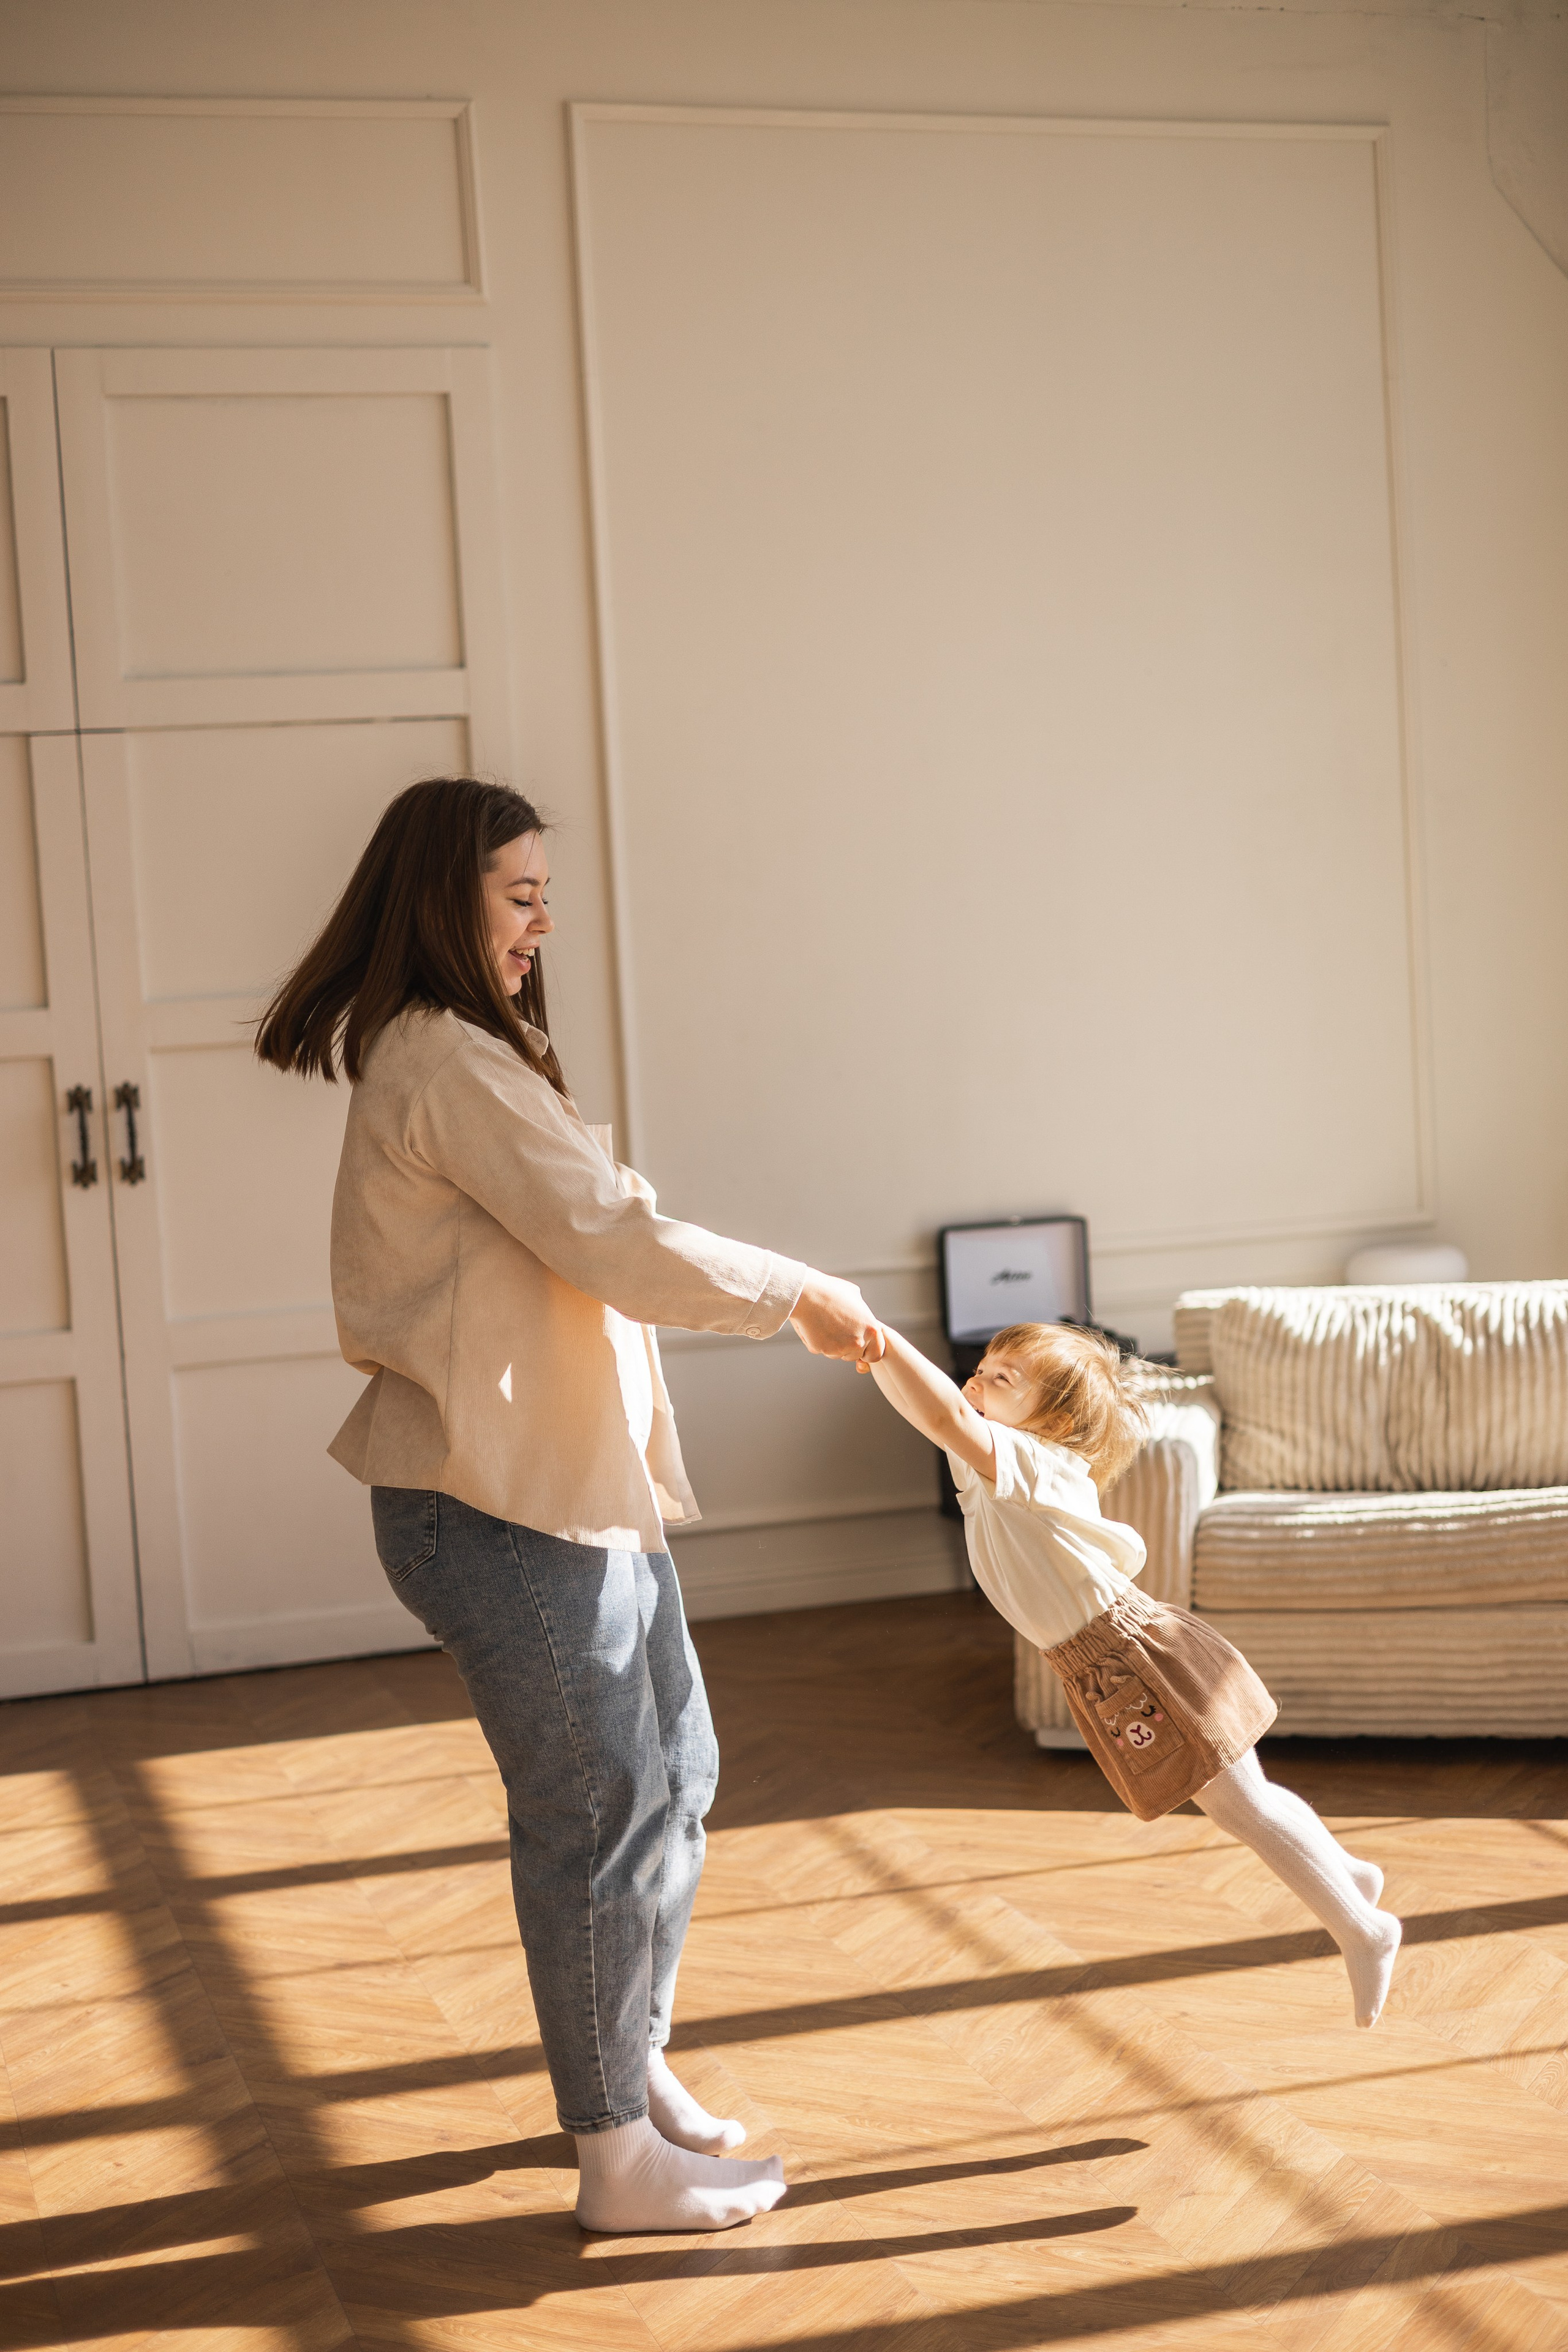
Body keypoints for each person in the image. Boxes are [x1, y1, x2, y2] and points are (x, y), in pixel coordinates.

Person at [256, 776, 883, 2233]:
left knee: (678, 1768)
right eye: (519, 895)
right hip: (493, 1502)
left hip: (568, 1487)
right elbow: (612, 1239)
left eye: (544, 894)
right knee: (600, 1804)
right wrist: (795, 1292)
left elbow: (593, 1241)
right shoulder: (443, 1066)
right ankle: (614, 2155)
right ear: (445, 899)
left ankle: (630, 2063)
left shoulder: (471, 1053)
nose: (543, 923)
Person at [856, 1318, 1403, 2029]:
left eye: (1003, 1377)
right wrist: (878, 1355)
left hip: (1134, 1659)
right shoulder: (992, 1466)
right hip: (1105, 1664)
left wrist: (883, 1338)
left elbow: (947, 1415)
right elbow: (935, 1418)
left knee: (1241, 1806)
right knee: (1248, 1792)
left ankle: (1364, 1928)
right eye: (982, 1367)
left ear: (1053, 1420)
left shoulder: (1033, 1462)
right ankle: (1348, 1876)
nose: (979, 1380)